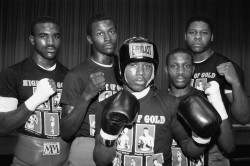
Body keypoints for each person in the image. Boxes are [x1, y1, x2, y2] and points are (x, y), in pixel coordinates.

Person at [93, 37, 221, 166]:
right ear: (121, 68)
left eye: (147, 66)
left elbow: (191, 151)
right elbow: (101, 161)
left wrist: (202, 138)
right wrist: (109, 135)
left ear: (154, 70)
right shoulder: (106, 104)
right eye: (133, 65)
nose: (141, 72)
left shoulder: (170, 103)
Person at [0, 16, 70, 166]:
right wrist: (36, 98)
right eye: (43, 36)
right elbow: (3, 127)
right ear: (32, 40)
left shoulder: (69, 76)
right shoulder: (13, 73)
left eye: (56, 36)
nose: (51, 42)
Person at [184, 16, 249, 165]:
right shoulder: (181, 67)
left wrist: (236, 83)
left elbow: (244, 118)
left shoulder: (226, 67)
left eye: (204, 33)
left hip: (215, 150)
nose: (198, 37)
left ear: (212, 36)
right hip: (185, 145)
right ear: (185, 36)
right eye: (192, 32)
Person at [59, 13, 122, 166]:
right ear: (89, 39)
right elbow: (66, 132)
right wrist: (87, 95)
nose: (108, 38)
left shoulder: (127, 71)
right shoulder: (76, 74)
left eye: (111, 31)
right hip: (87, 148)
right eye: (100, 33)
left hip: (122, 147)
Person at [165, 48, 235, 165]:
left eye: (186, 66)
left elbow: (230, 147)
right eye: (174, 66)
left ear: (193, 69)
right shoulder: (159, 100)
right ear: (166, 69)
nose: (180, 71)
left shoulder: (206, 99)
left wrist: (216, 100)